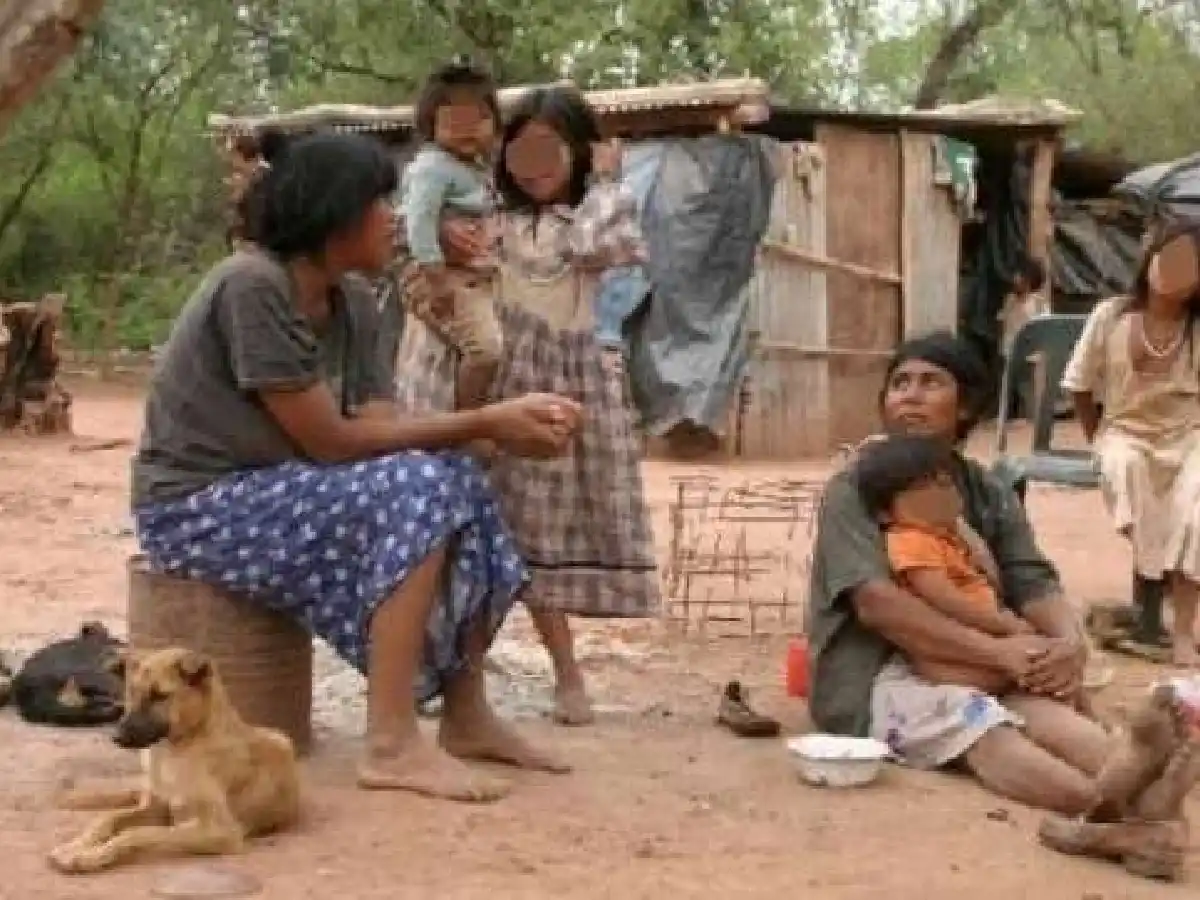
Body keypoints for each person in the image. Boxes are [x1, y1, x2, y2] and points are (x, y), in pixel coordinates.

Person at [132, 130, 583, 803]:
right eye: (382, 203)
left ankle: (466, 715)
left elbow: (380, 427)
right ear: (336, 214)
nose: (395, 220)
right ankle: (392, 742)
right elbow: (332, 443)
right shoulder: (252, 286)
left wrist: (496, 437)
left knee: (455, 476)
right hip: (195, 505)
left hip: (275, 490)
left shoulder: (358, 306)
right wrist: (487, 419)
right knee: (423, 480)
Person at [396, 85, 659, 726]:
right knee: (470, 534)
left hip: (555, 388)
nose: (535, 162)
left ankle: (567, 676)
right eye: (522, 148)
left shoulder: (591, 218)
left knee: (536, 539)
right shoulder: (487, 216)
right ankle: (458, 678)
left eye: (551, 148)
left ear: (579, 151)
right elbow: (417, 248)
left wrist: (603, 181)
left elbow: (598, 248)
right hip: (489, 389)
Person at [807, 330, 1111, 816]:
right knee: (988, 733)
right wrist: (1001, 649)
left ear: (966, 407)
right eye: (900, 382)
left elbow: (1030, 578)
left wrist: (1067, 645)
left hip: (987, 664)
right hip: (878, 677)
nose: (911, 393)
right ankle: (1109, 816)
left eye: (931, 382)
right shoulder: (857, 486)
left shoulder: (986, 489)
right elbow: (877, 604)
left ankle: (1144, 796)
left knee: (1065, 726)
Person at [1063, 220, 1200, 667]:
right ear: (1150, 258)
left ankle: (1180, 630)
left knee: (1195, 509)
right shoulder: (1111, 315)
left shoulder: (1196, 329)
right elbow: (1079, 385)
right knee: (1127, 471)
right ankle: (1145, 618)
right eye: (1170, 256)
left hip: (1189, 436)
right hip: (1124, 432)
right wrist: (1097, 436)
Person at [853, 433, 1033, 693]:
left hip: (985, 626)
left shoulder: (947, 537)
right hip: (953, 642)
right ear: (885, 512)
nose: (941, 490)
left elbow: (992, 580)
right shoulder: (911, 540)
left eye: (945, 481)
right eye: (922, 486)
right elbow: (942, 597)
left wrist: (968, 536)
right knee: (1030, 661)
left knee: (1044, 657)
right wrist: (1002, 624)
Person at [398, 59, 503, 412]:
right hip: (444, 277)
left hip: (471, 278)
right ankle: (468, 421)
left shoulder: (474, 168)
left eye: (477, 121)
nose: (467, 131)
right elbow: (417, 221)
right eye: (454, 123)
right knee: (485, 351)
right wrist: (437, 277)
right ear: (431, 126)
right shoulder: (432, 167)